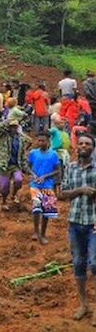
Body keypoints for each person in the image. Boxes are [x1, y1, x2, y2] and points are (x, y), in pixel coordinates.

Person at [60, 134, 96, 324]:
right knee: (79, 264)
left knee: (95, 264)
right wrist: (81, 190)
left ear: (93, 148)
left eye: (87, 144)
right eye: (81, 143)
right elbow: (62, 193)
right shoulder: (71, 168)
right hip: (75, 223)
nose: (83, 146)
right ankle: (84, 304)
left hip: (94, 223)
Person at [28, 131, 60, 245]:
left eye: (43, 140)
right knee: (36, 208)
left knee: (47, 212)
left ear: (48, 141)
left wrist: (45, 176)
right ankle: (36, 232)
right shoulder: (33, 153)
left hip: (48, 185)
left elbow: (57, 170)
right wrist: (34, 175)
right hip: (35, 185)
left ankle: (43, 233)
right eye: (39, 140)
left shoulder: (54, 154)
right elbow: (28, 167)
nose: (41, 142)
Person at [0, 119, 28, 210]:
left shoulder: (20, 138)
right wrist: (9, 120)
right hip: (4, 165)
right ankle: (4, 201)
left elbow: (23, 152)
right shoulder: (2, 136)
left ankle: (13, 194)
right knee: (4, 186)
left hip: (16, 164)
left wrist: (25, 166)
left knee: (19, 180)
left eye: (15, 126)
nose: (13, 128)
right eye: (11, 126)